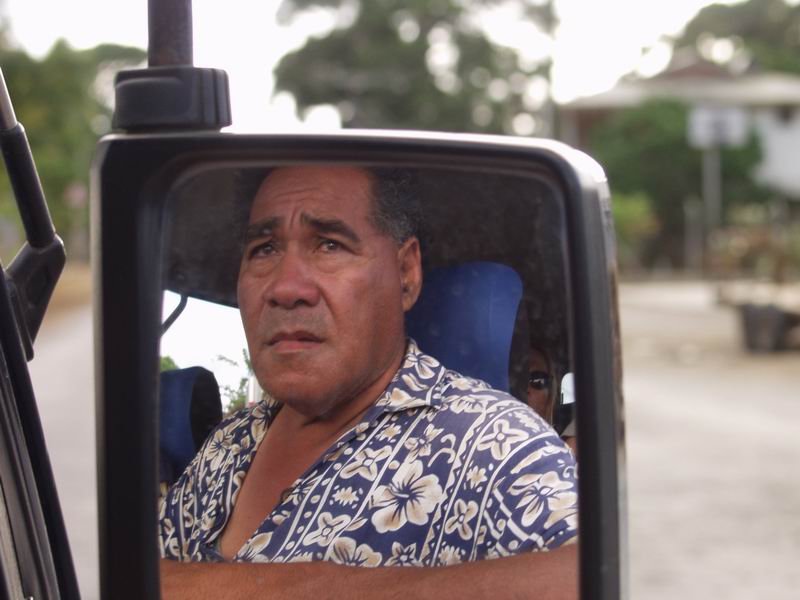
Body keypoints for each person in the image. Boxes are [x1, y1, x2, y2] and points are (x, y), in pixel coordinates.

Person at [159, 165, 578, 598]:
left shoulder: (495, 444)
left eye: (329, 244)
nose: (285, 288)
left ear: (406, 274)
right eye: (264, 249)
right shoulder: (229, 442)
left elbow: (581, 573)